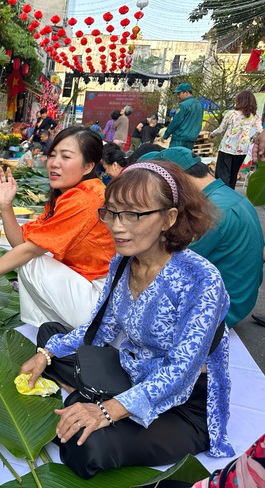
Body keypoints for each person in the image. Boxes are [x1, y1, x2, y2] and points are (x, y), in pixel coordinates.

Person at [21, 160, 233, 479]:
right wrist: (46, 353)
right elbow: (98, 330)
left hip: (185, 402)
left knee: (85, 446)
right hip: (133, 368)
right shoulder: (123, 262)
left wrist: (106, 411)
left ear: (168, 218)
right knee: (49, 334)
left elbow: (180, 372)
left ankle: (96, 399)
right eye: (112, 213)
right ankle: (90, 393)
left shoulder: (200, 280)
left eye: (133, 214)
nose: (118, 226)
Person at [0, 127, 116, 329]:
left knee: (31, 261)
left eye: (66, 157)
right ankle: (58, 327)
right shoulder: (69, 195)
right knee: (30, 256)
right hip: (87, 286)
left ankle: (70, 330)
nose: (55, 163)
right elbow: (20, 241)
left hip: (101, 299)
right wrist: (6, 205)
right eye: (53, 155)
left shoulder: (86, 198)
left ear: (88, 166)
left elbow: (29, 250)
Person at [139, 147, 264, 328]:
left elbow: (167, 265)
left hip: (221, 310)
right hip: (239, 300)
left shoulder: (210, 211)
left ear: (177, 177)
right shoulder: (226, 196)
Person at [211, 90, 262, 189]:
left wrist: (212, 135)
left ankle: (222, 194)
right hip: (242, 149)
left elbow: (221, 129)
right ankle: (231, 194)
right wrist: (252, 139)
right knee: (233, 175)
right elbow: (260, 131)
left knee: (222, 174)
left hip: (227, 147)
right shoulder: (255, 116)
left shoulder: (231, 114)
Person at [160, 83, 204, 149]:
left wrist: (165, 135)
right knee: (185, 157)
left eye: (179, 93)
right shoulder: (200, 105)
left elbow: (176, 122)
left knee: (173, 158)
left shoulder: (183, 105)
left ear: (186, 92)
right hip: (192, 138)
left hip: (179, 138)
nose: (178, 96)